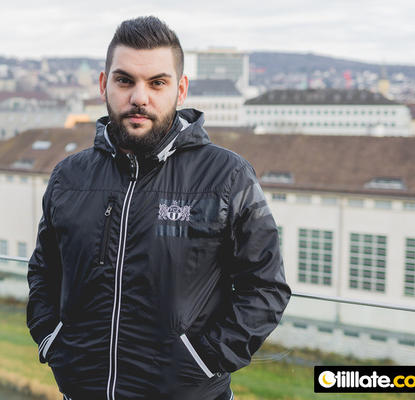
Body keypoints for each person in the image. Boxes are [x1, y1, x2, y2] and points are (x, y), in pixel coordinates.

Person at [27, 16, 291, 400]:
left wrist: (206, 359)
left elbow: (266, 287)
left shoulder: (227, 177)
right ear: (103, 85)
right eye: (125, 81)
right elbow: (44, 270)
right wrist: (51, 338)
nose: (139, 97)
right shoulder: (69, 176)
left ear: (180, 90)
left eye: (157, 83)